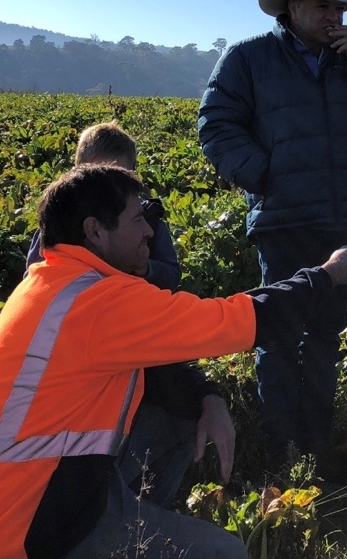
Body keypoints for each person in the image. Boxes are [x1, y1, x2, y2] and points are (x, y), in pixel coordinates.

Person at [0, 164, 347, 559]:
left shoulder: (52, 283)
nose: (150, 234)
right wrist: (327, 275)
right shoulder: (100, 303)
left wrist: (208, 397)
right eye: (138, 221)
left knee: (179, 419)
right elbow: (232, 321)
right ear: (95, 231)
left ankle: (134, 532)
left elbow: (153, 366)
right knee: (225, 555)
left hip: (16, 504)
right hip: (25, 534)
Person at [198, 0, 347, 475]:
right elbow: (215, 124)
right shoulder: (249, 59)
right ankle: (277, 450)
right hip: (285, 221)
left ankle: (314, 446)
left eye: (338, 7)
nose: (333, 16)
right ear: (290, 8)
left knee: (323, 338)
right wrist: (266, 176)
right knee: (277, 337)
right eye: (321, 6)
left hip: (343, 221)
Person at [24, 122, 235, 502]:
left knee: (176, 408)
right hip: (82, 372)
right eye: (96, 175)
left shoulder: (147, 221)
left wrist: (145, 271)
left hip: (141, 350)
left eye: (121, 175)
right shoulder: (55, 230)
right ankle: (104, 506)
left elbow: (171, 276)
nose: (108, 187)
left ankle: (141, 510)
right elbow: (38, 283)